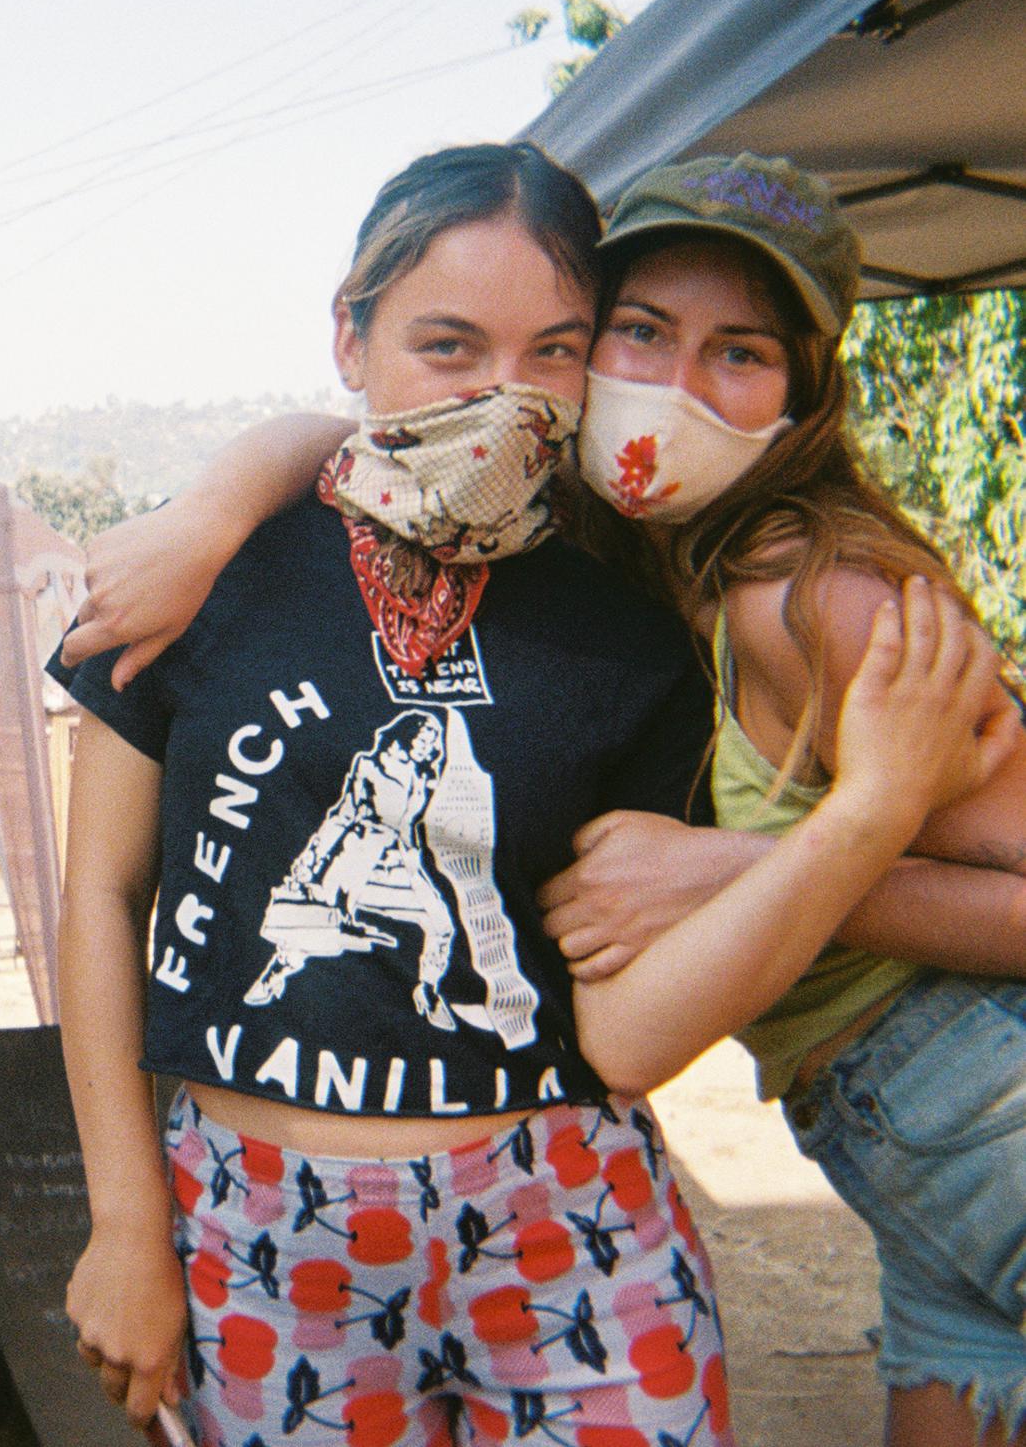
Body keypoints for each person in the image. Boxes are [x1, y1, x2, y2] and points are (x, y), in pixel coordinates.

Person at [67, 152, 1026, 1446]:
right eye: (641, 333)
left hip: (739, 1166)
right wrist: (127, 1224)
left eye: (554, 353)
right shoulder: (245, 571)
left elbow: (630, 1026)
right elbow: (102, 892)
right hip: (281, 1225)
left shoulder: (727, 608)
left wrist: (802, 842)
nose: (504, 397)